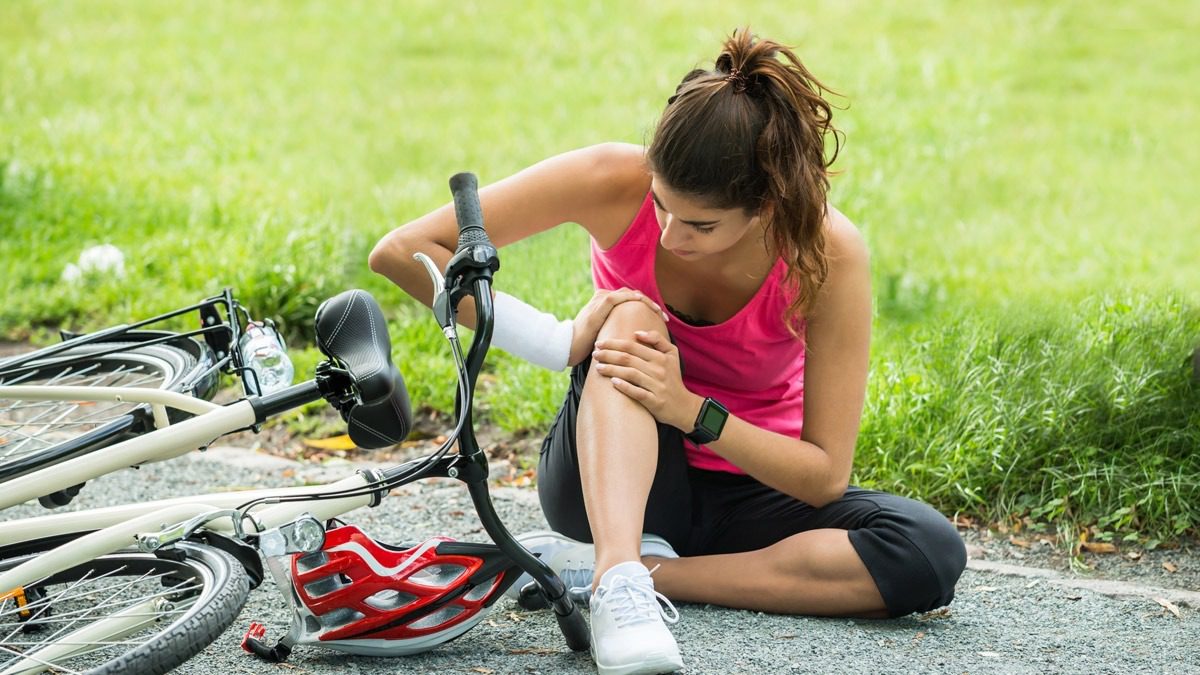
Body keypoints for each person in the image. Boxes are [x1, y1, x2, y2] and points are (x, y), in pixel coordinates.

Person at [370, 27, 966, 675]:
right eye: (660, 205)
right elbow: (405, 251)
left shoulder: (828, 253)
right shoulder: (609, 177)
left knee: (927, 552)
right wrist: (559, 340)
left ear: (766, 206)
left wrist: (691, 409)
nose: (669, 235)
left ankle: (635, 574)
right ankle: (619, 570)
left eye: (701, 225)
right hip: (618, 479)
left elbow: (824, 474)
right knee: (629, 317)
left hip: (753, 493)